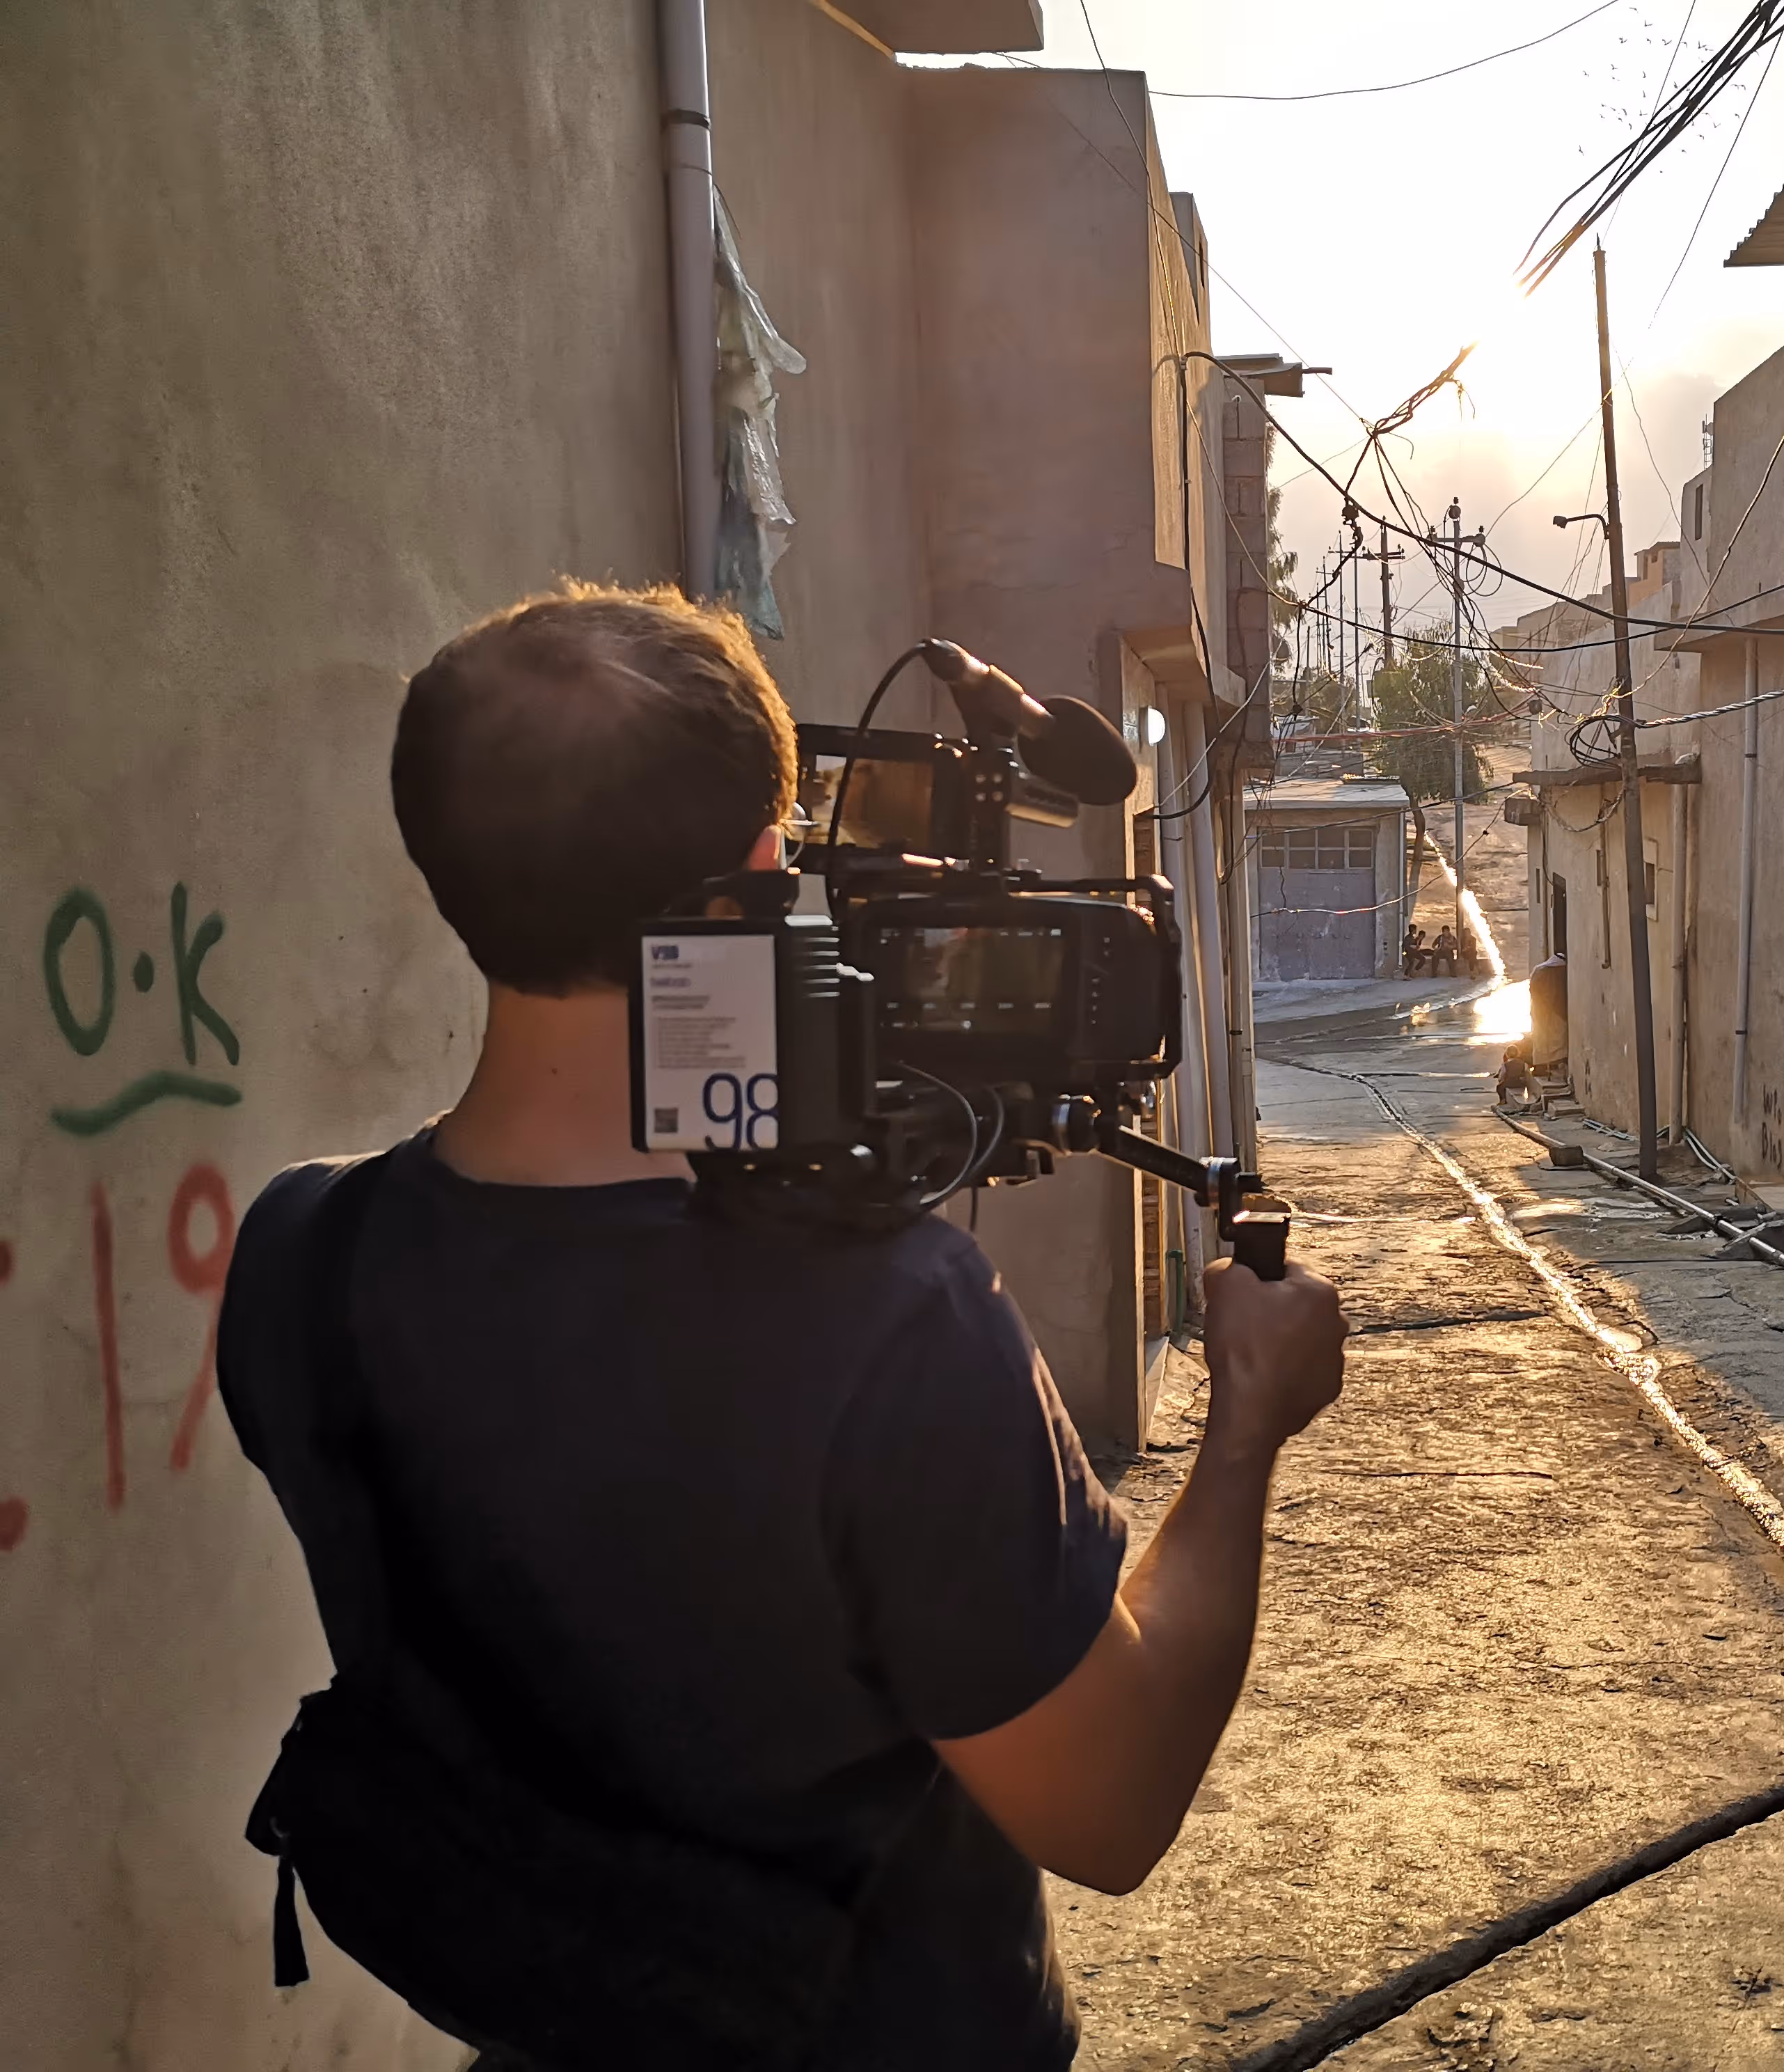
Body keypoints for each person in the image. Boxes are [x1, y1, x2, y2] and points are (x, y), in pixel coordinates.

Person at [216, 583, 1345, 2070]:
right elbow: (1111, 1807)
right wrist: (1250, 1426)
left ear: (444, 865)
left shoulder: (303, 1248)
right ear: (761, 873)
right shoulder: (886, 1320)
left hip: (544, 2019)